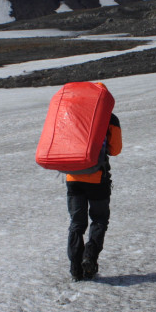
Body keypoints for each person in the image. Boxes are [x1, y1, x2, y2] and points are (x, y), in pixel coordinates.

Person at [66, 104, 122, 281]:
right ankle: (90, 257)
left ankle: (75, 269)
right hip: (97, 177)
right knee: (99, 219)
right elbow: (115, 149)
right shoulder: (110, 118)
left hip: (73, 177)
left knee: (77, 223)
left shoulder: (73, 115)